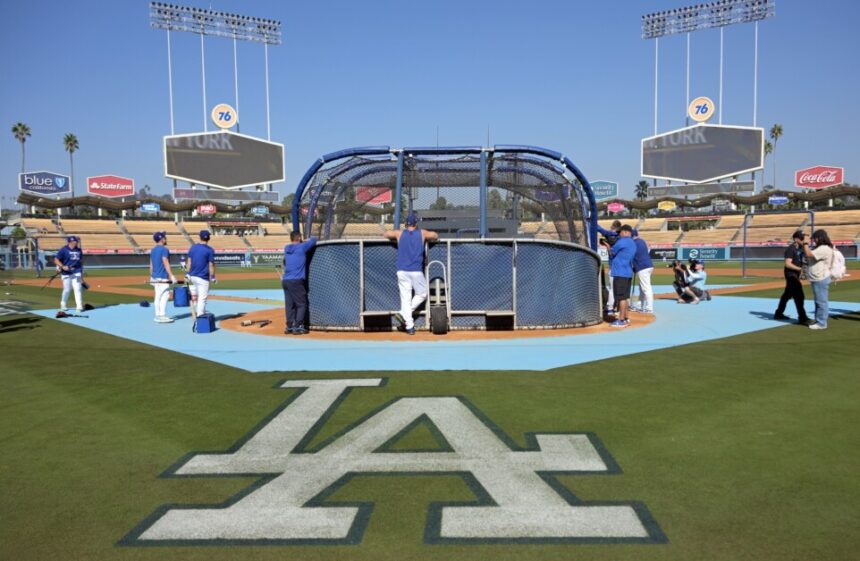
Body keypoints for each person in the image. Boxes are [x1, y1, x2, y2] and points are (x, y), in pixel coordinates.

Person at [383, 212, 439, 335]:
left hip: (402, 271)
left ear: (405, 224)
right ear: (416, 224)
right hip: (416, 271)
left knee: (406, 299)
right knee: (422, 294)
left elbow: (386, 234)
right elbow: (435, 235)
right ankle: (407, 321)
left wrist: (390, 232)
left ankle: (407, 320)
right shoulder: (422, 233)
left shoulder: (399, 233)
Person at [281, 231, 317, 335]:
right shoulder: (302, 247)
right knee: (301, 304)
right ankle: (298, 326)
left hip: (286, 281)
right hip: (296, 280)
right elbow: (314, 239)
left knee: (290, 305)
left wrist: (301, 241)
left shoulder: (287, 248)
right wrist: (305, 240)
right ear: (299, 238)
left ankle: (289, 326)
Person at [774, 230, 812, 325]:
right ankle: (802, 317)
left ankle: (778, 313)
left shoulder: (802, 248)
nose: (804, 240)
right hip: (791, 275)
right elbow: (787, 264)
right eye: (802, 238)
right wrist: (800, 269)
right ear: (796, 239)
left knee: (787, 295)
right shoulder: (790, 249)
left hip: (796, 275)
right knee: (799, 296)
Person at [600, 224, 635, 327]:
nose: (619, 234)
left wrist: (607, 245)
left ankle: (621, 320)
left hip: (620, 273)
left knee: (621, 298)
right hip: (627, 273)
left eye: (621, 232)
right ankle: (626, 318)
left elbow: (612, 253)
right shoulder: (632, 242)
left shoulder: (622, 241)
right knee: (625, 297)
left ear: (625, 232)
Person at [802, 229, 834, 330]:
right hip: (818, 277)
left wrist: (805, 243)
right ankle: (818, 320)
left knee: (821, 302)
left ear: (820, 238)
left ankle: (821, 323)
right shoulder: (822, 247)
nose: (814, 240)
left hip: (821, 278)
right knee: (819, 301)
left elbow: (809, 254)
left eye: (815, 238)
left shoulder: (824, 248)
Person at [185, 230, 216, 319]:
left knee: (199, 294)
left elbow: (189, 261)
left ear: (200, 237)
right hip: (203, 277)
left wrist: (187, 274)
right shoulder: (210, 250)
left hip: (193, 276)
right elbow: (211, 265)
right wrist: (213, 276)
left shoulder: (193, 247)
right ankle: (200, 316)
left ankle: (198, 308)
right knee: (202, 298)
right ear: (209, 238)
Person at [149, 231, 177, 323]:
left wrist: (151, 276)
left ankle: (157, 315)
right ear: (161, 239)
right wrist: (171, 275)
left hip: (155, 276)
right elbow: (165, 262)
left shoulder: (153, 250)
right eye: (164, 237)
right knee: (165, 295)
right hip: (162, 277)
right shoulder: (164, 249)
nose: (166, 239)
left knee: (158, 296)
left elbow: (151, 264)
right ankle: (162, 315)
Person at [53, 235, 85, 312]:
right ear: (69, 242)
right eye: (74, 241)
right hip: (66, 273)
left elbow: (81, 261)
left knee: (78, 288)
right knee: (67, 289)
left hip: (76, 272)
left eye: (76, 241)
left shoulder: (79, 250)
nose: (76, 242)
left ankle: (79, 306)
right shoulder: (63, 250)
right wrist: (62, 266)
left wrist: (81, 273)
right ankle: (63, 304)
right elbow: (56, 260)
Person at [630, 232, 654, 314]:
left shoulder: (634, 243)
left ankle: (649, 308)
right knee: (642, 288)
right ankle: (640, 306)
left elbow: (632, 255)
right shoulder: (642, 241)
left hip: (642, 267)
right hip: (648, 265)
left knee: (646, 288)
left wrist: (633, 266)